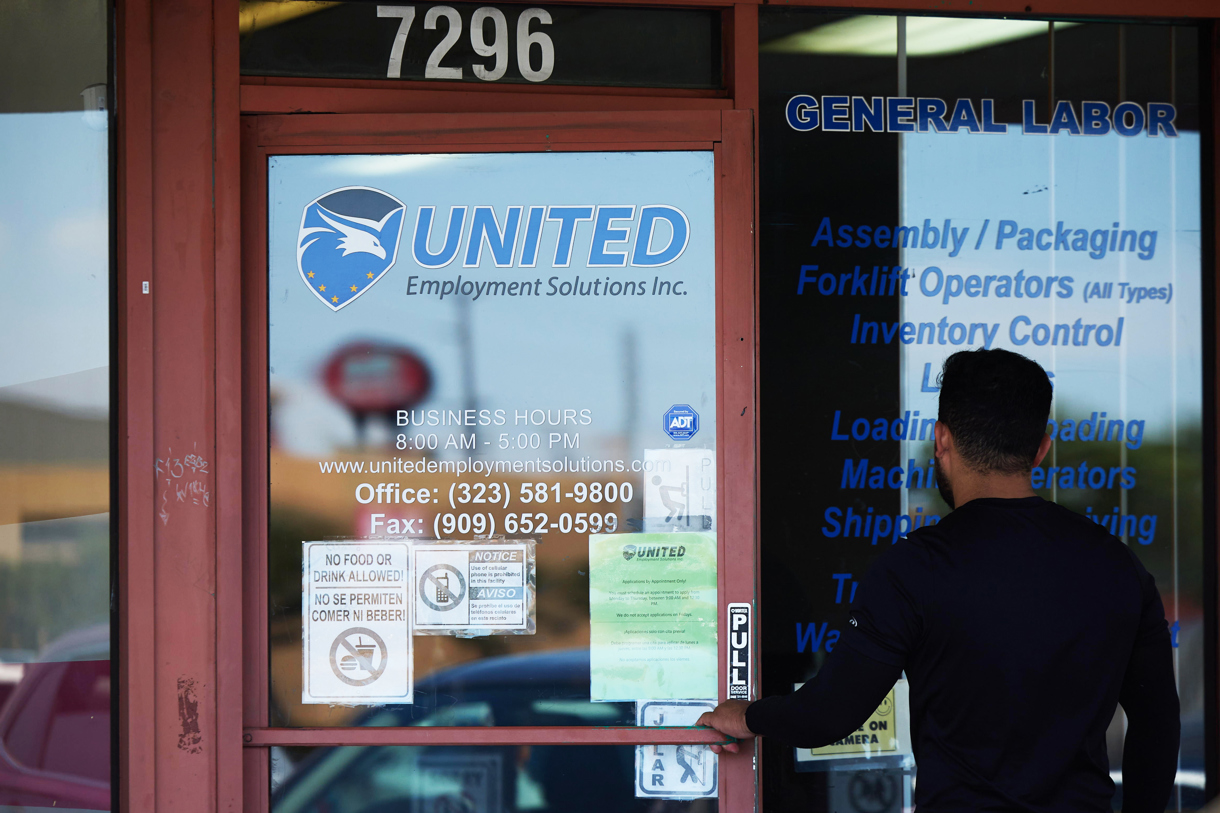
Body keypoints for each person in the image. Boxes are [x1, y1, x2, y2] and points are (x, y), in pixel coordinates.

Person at [697, 348, 1180, 812]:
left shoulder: (916, 568)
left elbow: (828, 714)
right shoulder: (1117, 565)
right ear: (1041, 449)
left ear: (941, 439)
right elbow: (1157, 722)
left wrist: (745, 715)